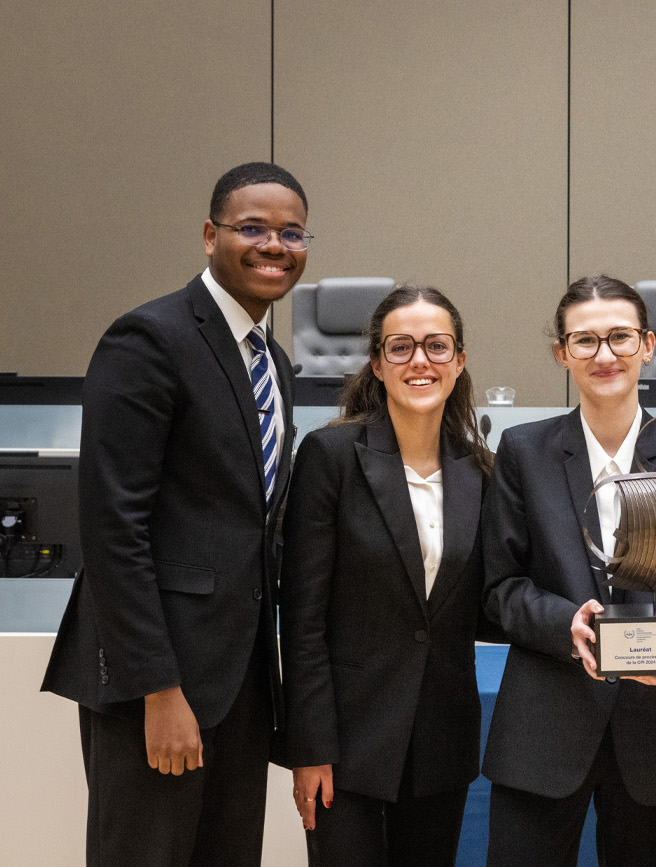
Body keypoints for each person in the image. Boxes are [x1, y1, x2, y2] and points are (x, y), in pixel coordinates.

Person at [41, 162, 308, 866]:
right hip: (157, 682)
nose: (273, 245)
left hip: (240, 685)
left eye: (291, 232)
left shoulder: (273, 363)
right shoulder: (149, 339)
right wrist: (158, 688)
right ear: (209, 234)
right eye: (252, 227)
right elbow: (111, 527)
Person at [480, 276, 656, 867]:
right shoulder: (523, 450)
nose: (605, 355)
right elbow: (500, 587)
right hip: (544, 729)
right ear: (562, 354)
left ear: (647, 344)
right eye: (584, 341)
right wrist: (565, 621)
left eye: (619, 337)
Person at [279, 286, 493, 866]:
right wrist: (310, 747)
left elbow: (488, 601)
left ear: (460, 361)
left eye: (436, 346)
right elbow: (302, 619)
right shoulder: (330, 457)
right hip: (346, 743)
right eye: (401, 348)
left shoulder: (480, 471)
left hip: (440, 744)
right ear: (377, 364)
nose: (420, 361)